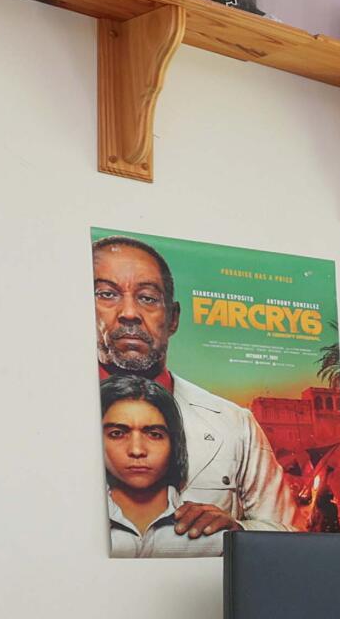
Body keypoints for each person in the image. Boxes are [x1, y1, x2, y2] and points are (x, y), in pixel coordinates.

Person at [92, 236, 296, 542]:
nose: (130, 312)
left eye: (148, 298)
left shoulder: (235, 423)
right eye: (107, 294)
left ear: (172, 318)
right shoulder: (52, 414)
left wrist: (238, 531)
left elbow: (292, 534)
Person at [101, 375, 221, 558]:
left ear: (174, 442)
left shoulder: (212, 535)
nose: (137, 450)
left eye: (154, 434)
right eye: (117, 433)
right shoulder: (76, 528)